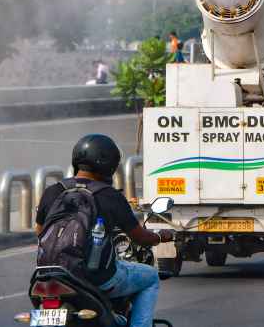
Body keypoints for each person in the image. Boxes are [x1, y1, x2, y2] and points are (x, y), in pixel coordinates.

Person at [34, 135, 172, 327]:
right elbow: (139, 237)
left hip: (47, 275)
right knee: (150, 277)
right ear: (110, 164)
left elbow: (39, 231)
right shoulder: (109, 196)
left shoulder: (53, 191)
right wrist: (159, 237)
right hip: (93, 278)